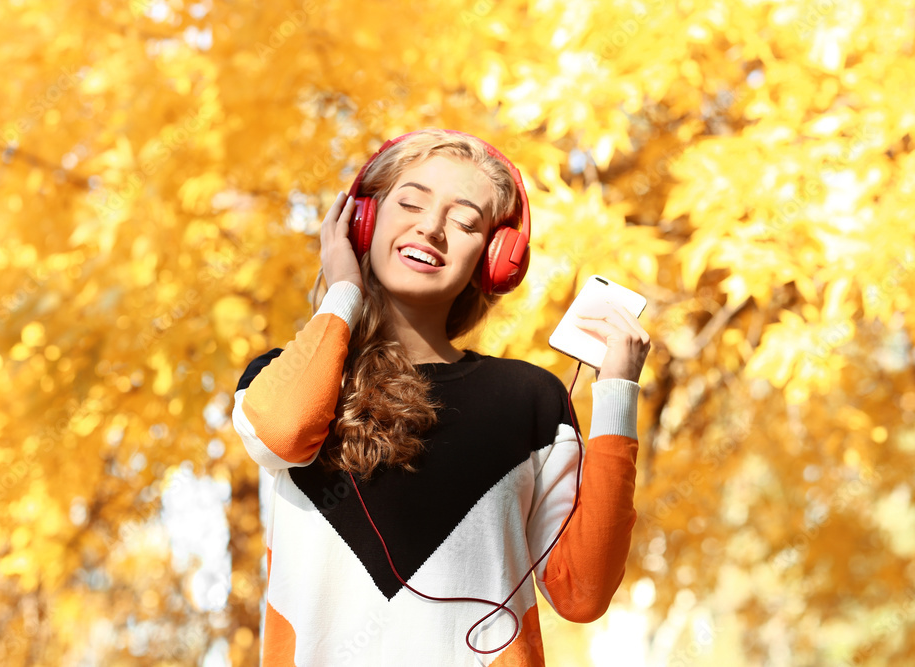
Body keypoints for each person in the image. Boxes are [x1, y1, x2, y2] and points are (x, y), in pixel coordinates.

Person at [232, 128, 651, 666]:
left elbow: (582, 592)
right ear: (363, 222)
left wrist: (618, 394)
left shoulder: (531, 402)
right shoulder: (283, 378)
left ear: (495, 261)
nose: (430, 227)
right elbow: (285, 434)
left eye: (465, 221)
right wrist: (343, 289)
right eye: (410, 202)